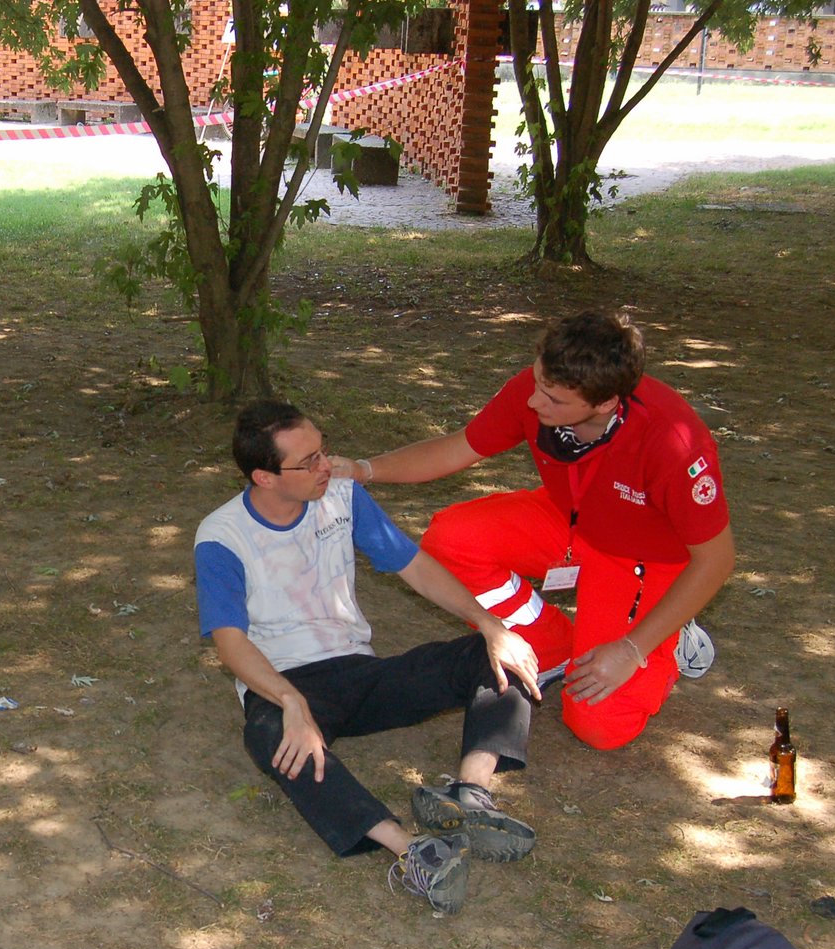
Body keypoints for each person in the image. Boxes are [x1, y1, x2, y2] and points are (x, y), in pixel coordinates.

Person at [194, 400, 544, 914]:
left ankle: (469, 795)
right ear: (264, 478)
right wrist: (290, 704)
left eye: (323, 451)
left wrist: (491, 625)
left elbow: (415, 565)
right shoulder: (221, 536)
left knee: (497, 656)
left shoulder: (341, 495)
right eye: (308, 461)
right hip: (286, 683)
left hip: (360, 670)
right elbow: (230, 643)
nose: (325, 467)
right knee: (270, 736)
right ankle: (411, 850)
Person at [333, 311, 733, 750]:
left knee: (600, 726)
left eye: (554, 400)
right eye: (538, 382)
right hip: (572, 520)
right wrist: (364, 470)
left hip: (645, 560)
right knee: (452, 540)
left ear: (604, 403)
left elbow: (716, 561)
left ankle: (671, 637)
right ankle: (553, 644)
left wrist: (631, 649)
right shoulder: (539, 388)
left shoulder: (673, 440)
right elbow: (458, 447)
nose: (534, 403)